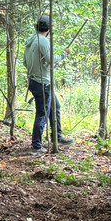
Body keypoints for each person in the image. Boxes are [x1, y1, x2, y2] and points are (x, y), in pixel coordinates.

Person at [23, 15, 74, 152]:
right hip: (42, 83)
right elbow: (51, 60)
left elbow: (25, 62)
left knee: (55, 106)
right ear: (49, 29)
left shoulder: (31, 40)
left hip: (35, 81)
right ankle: (36, 146)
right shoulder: (42, 41)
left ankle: (57, 137)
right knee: (42, 113)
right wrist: (64, 54)